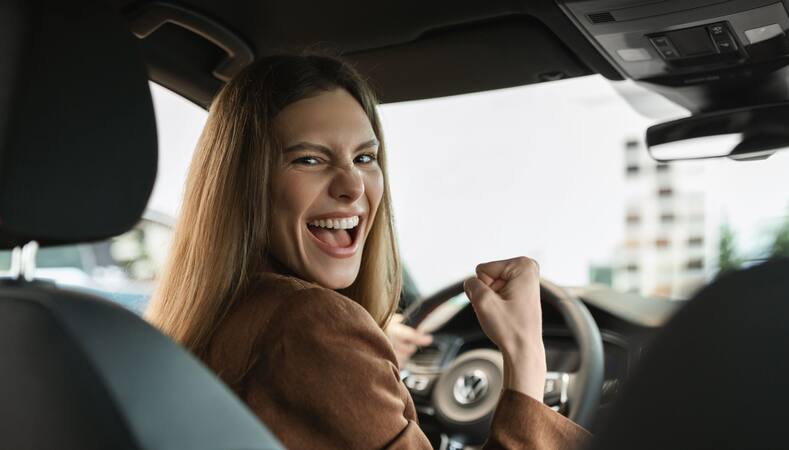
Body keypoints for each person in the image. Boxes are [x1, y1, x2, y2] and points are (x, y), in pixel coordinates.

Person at [145, 53, 590, 449]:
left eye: (364, 158)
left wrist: (369, 359)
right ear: (245, 186)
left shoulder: (222, 319)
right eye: (309, 159)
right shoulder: (310, 324)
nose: (353, 186)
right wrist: (526, 351)